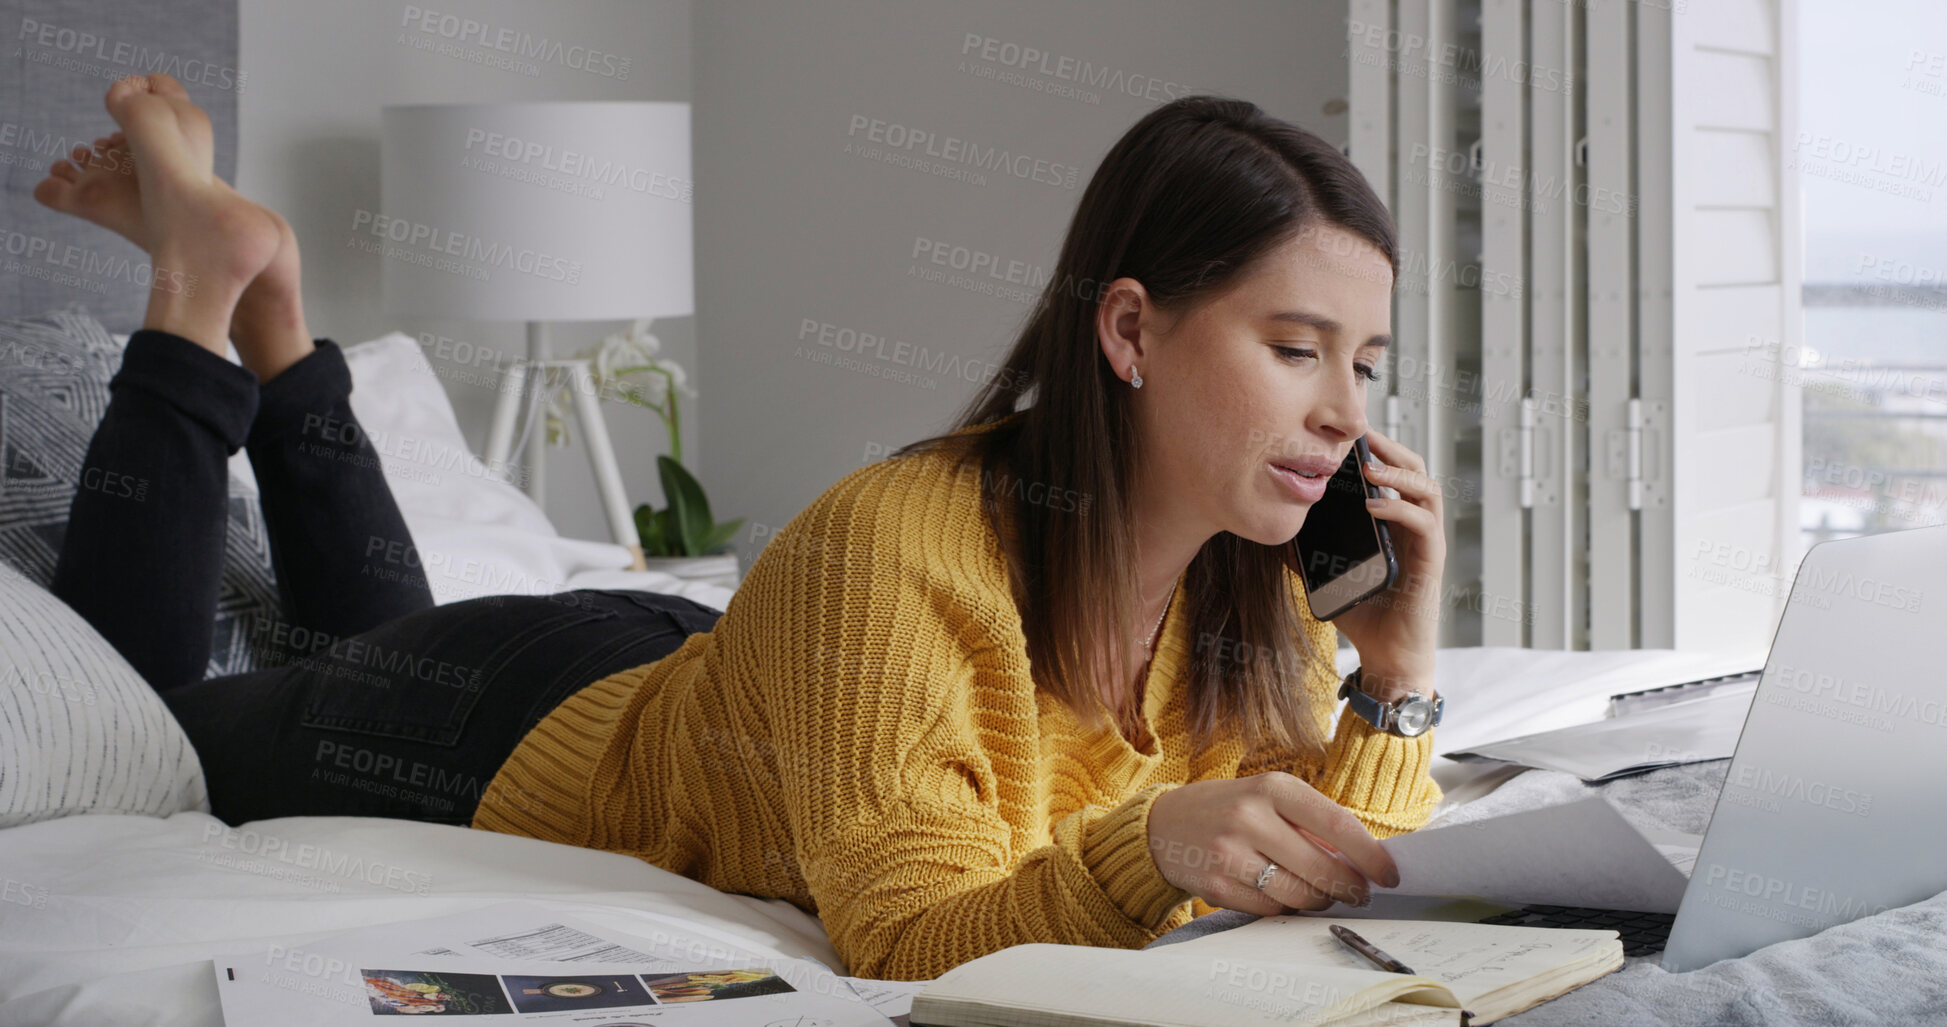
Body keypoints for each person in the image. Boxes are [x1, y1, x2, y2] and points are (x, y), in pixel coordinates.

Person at [38, 75, 1446, 982]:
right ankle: (193, 292)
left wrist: (1394, 676)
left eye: (1366, 363)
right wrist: (1152, 847)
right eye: (1295, 347)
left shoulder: (1252, 579)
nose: (1343, 412)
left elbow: (1319, 874)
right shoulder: (897, 546)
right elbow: (907, 939)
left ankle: (279, 323)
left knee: (366, 642)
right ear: (1131, 329)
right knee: (145, 731)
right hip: (513, 725)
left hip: (698, 668)